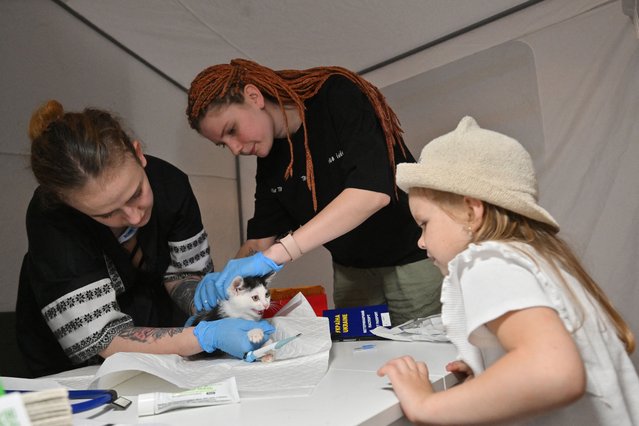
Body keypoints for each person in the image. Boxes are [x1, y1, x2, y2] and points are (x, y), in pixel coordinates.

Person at [377, 116, 639, 424]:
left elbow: (553, 372)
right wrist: (494, 366)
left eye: (424, 224)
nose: (421, 242)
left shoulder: (486, 261)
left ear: (472, 211)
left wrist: (426, 405)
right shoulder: (534, 258)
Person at [16, 100, 274, 377]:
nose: (134, 217)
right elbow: (103, 338)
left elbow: (184, 273)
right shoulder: (52, 220)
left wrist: (208, 302)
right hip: (70, 369)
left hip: (162, 339)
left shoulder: (170, 184)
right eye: (108, 214)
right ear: (71, 205)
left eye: (136, 193)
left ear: (138, 154)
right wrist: (204, 336)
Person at [185, 58, 443, 325]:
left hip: (411, 257)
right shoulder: (270, 159)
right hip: (350, 272)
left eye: (232, 130)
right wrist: (224, 288)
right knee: (361, 357)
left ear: (254, 96)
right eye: (222, 144)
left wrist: (280, 253)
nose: (235, 149)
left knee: (425, 355)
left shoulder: (336, 96)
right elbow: (259, 241)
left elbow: (371, 193)